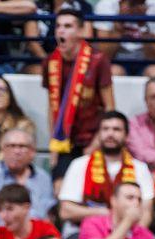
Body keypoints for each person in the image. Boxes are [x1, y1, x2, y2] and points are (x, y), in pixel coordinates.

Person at [43, 9, 115, 179]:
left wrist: (96, 144)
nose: (61, 31)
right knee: (59, 187)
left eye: (68, 26)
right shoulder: (50, 62)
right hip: (64, 142)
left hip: (93, 140)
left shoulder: (98, 60)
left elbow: (110, 108)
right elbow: (52, 107)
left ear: (81, 31)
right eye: (58, 26)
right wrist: (53, 147)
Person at [57, 112, 155, 234]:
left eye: (116, 129)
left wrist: (134, 237)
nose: (110, 134)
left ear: (126, 136)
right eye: (105, 129)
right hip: (83, 231)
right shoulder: (79, 164)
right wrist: (102, 213)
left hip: (129, 232)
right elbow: (65, 211)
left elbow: (146, 213)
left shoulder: (140, 168)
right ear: (98, 135)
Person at [0, 128, 57, 229]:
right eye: (11, 146)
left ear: (32, 152)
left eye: (22, 146)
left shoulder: (42, 177)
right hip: (0, 233)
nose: (17, 151)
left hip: (36, 236)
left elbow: (48, 213)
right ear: (3, 150)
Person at [93, 0, 155, 76]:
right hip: (116, 60)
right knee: (112, 71)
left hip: (147, 62)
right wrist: (120, 22)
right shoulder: (106, 5)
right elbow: (105, 53)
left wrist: (143, 25)